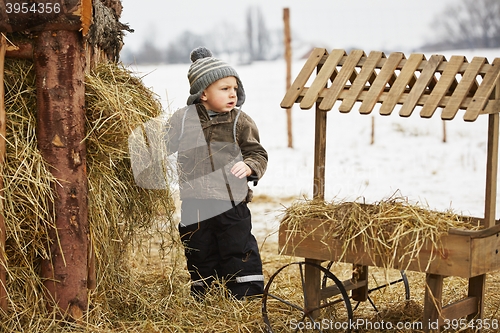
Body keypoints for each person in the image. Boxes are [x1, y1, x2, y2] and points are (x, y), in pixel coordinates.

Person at [162, 47, 268, 300]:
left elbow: (257, 152)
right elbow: (163, 143)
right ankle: (205, 293)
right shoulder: (183, 120)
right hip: (194, 201)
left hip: (230, 200)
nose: (233, 94)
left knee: (238, 246)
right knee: (198, 248)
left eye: (234, 88)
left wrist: (251, 166)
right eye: (224, 89)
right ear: (203, 94)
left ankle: (245, 294)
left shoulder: (240, 122)